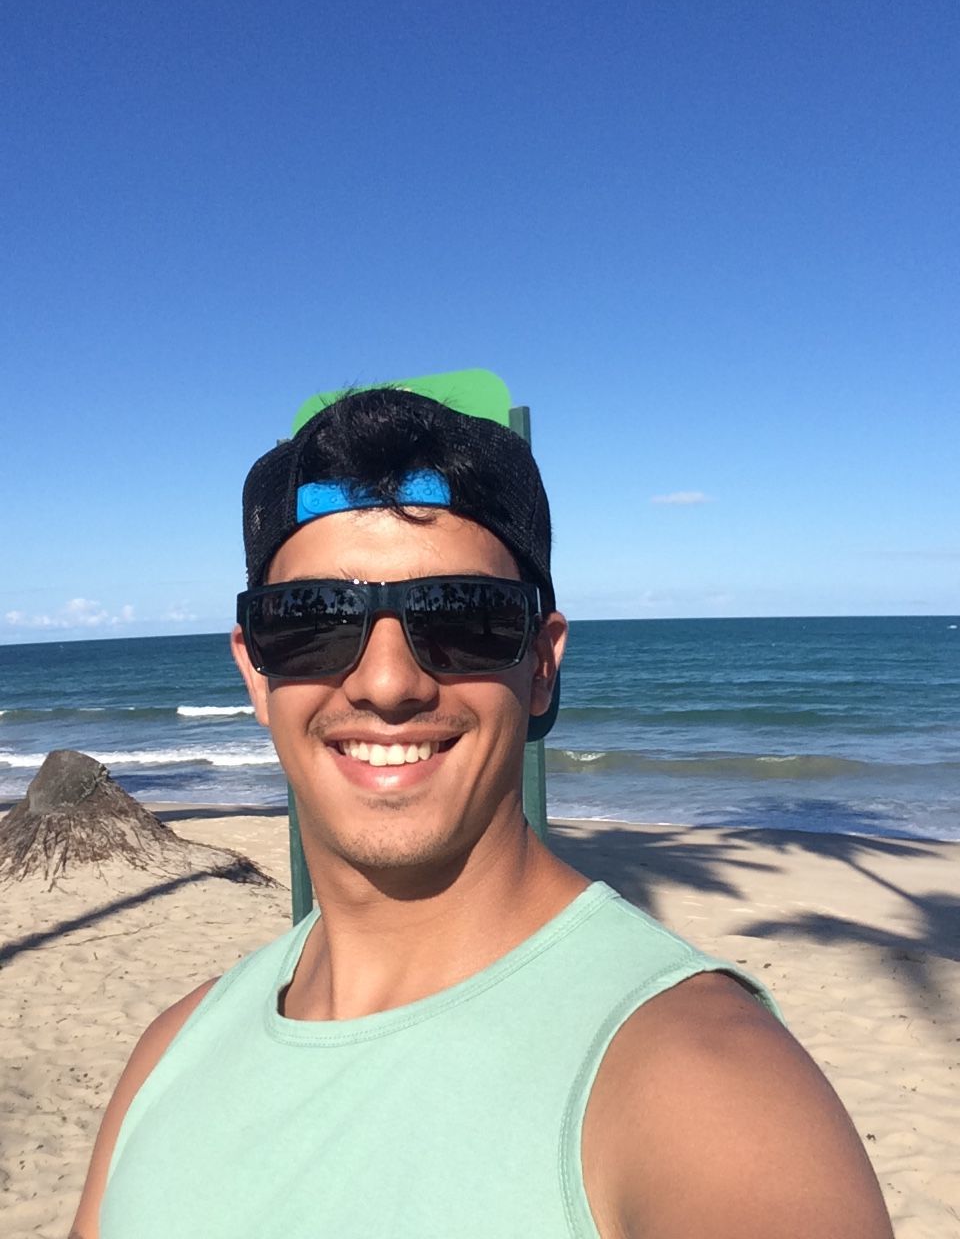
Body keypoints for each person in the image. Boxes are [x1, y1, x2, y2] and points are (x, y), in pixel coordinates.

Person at [72, 388, 893, 1238]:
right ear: (254, 672)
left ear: (541, 663)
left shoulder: (699, 1078)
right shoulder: (170, 1054)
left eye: (460, 619)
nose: (387, 683)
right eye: (312, 622)